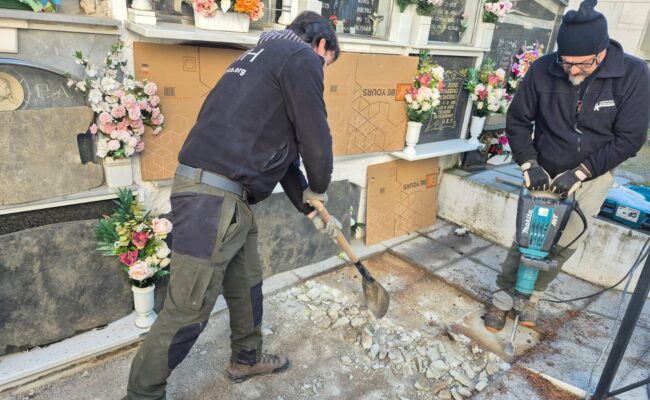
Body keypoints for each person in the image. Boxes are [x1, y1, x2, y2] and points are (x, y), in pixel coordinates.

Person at [125, 11, 341, 400]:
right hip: (214, 201)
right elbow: (316, 139)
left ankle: (246, 357)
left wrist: (308, 206)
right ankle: (141, 395)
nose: (323, 72)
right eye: (328, 63)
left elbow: (285, 156)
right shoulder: (303, 59)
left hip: (228, 201)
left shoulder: (258, 58)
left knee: (246, 282)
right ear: (322, 46)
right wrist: (321, 187)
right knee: (187, 310)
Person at [484, 0, 649, 332]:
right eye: (567, 62)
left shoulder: (632, 75)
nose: (572, 71)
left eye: (582, 64)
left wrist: (582, 172)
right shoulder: (544, 68)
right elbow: (517, 120)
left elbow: (630, 138)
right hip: (543, 169)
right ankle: (502, 299)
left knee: (563, 244)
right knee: (528, 237)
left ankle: (532, 298)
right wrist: (529, 163)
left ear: (601, 52)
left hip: (592, 176)